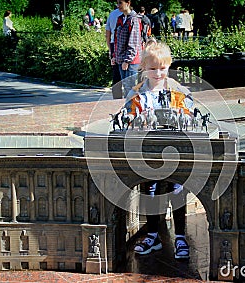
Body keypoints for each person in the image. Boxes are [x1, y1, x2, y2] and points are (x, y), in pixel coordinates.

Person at [124, 39, 193, 259]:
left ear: (169, 66)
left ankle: (180, 236)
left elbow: (190, 113)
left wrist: (184, 116)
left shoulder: (177, 92)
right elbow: (127, 117)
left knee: (177, 189)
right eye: (153, 68)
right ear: (144, 67)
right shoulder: (137, 93)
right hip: (149, 153)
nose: (158, 73)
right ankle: (153, 235)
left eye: (162, 68)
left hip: (174, 151)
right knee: (151, 190)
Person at [112, 0, 142, 96]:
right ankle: (128, 109)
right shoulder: (120, 18)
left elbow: (133, 42)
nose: (118, 5)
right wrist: (114, 56)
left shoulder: (134, 19)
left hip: (131, 61)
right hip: (121, 59)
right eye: (117, 3)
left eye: (120, 3)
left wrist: (127, 60)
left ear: (128, 3)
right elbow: (116, 39)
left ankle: (132, 110)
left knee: (131, 90)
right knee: (126, 88)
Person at [105, 6, 123, 99]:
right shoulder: (131, 13)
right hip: (126, 45)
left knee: (116, 75)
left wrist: (110, 50)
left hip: (114, 44)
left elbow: (107, 35)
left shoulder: (112, 15)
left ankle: (116, 99)